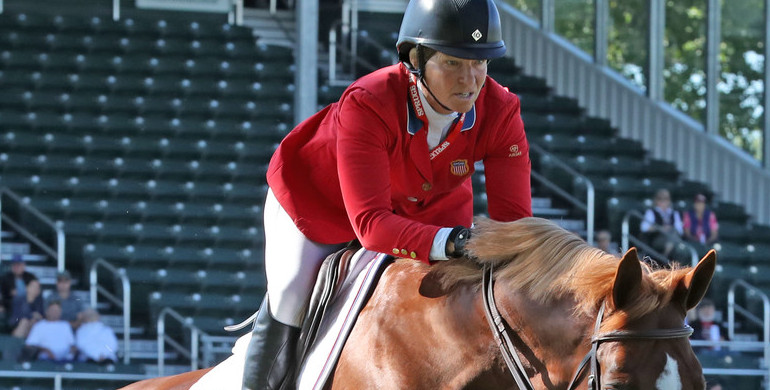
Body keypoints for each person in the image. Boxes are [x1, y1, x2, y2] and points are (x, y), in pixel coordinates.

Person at [234, 0, 532, 388]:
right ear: (415, 59)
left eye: (480, 63)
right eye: (452, 63)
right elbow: (372, 227)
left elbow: (516, 226)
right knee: (290, 292)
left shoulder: (502, 109)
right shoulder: (369, 101)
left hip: (428, 207)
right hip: (320, 203)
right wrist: (455, 241)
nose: (470, 80)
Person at [640, 188, 685, 260]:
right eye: (661, 199)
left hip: (672, 237)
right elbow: (644, 228)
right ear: (656, 200)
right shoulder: (651, 212)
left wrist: (669, 228)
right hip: (657, 238)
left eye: (666, 199)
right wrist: (660, 228)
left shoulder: (674, 213)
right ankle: (666, 256)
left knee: (673, 232)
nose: (663, 202)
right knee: (675, 240)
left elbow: (680, 230)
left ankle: (666, 254)